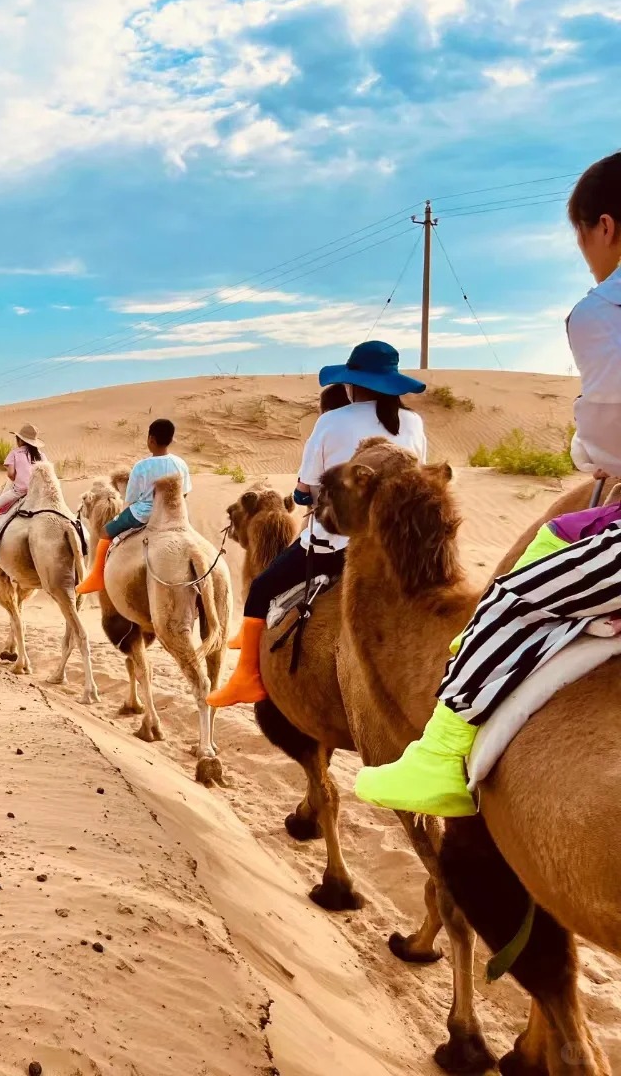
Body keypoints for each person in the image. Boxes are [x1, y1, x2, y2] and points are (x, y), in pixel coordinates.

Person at [354, 151, 621, 817]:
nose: (586, 254)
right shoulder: (413, 425)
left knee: (511, 594)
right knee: (557, 536)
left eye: (582, 238)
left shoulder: (600, 310)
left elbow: (605, 438)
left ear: (605, 227)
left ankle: (441, 755)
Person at [206, 340, 427, 709]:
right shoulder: (414, 423)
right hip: (399, 548)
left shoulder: (332, 421)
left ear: (352, 384)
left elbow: (304, 491)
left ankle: (245, 678)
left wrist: (306, 494)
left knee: (261, 587)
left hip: (336, 545)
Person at [75, 419, 190, 594]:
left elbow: (132, 498)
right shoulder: (180, 463)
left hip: (142, 514)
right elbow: (185, 493)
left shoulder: (141, 466)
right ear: (171, 440)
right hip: (172, 515)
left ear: (151, 439)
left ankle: (97, 577)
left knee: (105, 532)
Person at [0, 424, 46, 549]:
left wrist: (17, 479)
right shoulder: (41, 455)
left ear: (20, 440)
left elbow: (11, 474)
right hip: (39, 492)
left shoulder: (14, 453)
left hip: (20, 491)